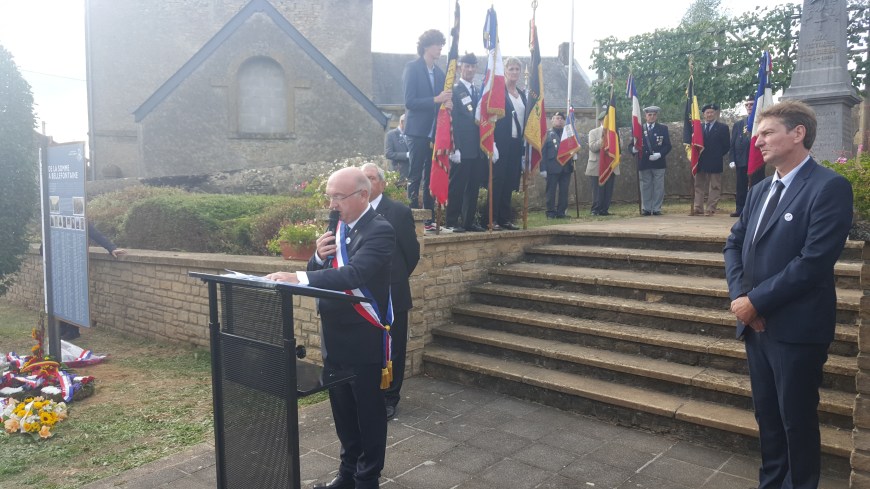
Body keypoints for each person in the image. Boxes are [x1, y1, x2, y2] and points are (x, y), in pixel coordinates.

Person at [723, 100, 853, 489]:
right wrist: (741, 298)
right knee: (768, 417)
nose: (757, 141)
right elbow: (734, 244)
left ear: (797, 133)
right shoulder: (761, 188)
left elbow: (813, 261)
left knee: (796, 420)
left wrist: (757, 301)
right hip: (756, 326)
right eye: (757, 134)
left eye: (767, 133)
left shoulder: (829, 187)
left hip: (796, 329)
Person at [266, 167, 394, 489]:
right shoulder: (336, 228)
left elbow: (354, 275)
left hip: (363, 338)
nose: (332, 204)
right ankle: (347, 474)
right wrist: (316, 260)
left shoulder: (379, 230)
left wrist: (299, 276)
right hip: (334, 340)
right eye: (330, 197)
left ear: (363, 195)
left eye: (339, 196)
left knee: (368, 415)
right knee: (343, 415)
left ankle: (368, 479)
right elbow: (323, 271)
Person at [360, 163, 420, 419]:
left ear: (382, 184)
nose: (367, 183)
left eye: (371, 178)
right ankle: (368, 392)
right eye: (363, 179)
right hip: (362, 295)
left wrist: (394, 279)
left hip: (392, 294)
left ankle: (389, 397)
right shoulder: (354, 212)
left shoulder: (398, 212)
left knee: (393, 347)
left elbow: (412, 253)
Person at [402, 29, 452, 231]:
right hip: (417, 131)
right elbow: (410, 101)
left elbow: (442, 102)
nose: (440, 47)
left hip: (435, 132)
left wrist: (447, 105)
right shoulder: (412, 68)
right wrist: (436, 99)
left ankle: (430, 219)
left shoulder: (440, 73)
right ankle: (413, 216)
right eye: (437, 44)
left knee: (432, 173)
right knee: (415, 174)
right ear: (426, 46)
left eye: (442, 44)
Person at [59, 222, 128, 340]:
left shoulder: (78, 220)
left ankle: (72, 331)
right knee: (60, 298)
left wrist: (112, 248)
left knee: (73, 297)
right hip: (59, 265)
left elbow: (96, 235)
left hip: (75, 264)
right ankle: (61, 329)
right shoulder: (56, 221)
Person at [445, 52, 486, 233]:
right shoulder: (455, 90)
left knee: (473, 186)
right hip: (461, 147)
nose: (470, 70)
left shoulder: (478, 91)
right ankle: (452, 221)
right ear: (461, 67)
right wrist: (455, 147)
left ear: (476, 68)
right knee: (457, 186)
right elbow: (453, 119)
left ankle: (469, 221)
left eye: (473, 66)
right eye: (466, 66)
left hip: (477, 147)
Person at [490, 57, 525, 231]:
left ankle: (505, 218)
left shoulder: (522, 94)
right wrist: (492, 142)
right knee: (498, 180)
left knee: (511, 181)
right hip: (501, 142)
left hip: (516, 142)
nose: (514, 72)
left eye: (517, 69)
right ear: (505, 71)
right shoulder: (498, 92)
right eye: (511, 69)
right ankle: (493, 218)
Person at [729, 97, 766, 217]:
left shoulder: (762, 123)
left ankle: (755, 209)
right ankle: (740, 209)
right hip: (741, 160)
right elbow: (733, 143)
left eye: (751, 104)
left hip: (756, 160)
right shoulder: (739, 124)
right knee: (740, 186)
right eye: (747, 105)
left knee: (757, 185)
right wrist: (732, 159)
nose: (749, 107)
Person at [694, 103, 730, 216]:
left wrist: (717, 154)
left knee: (714, 185)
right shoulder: (698, 127)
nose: (709, 114)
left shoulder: (723, 128)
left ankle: (711, 208)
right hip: (700, 160)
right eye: (707, 113)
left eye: (712, 112)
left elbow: (726, 146)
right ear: (703, 114)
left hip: (715, 160)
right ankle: (698, 208)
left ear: (715, 114)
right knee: (698, 185)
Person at [635, 105, 672, 216]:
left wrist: (659, 154)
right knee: (645, 186)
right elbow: (632, 144)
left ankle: (656, 208)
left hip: (658, 162)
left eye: (654, 115)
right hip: (644, 162)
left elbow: (668, 146)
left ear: (657, 116)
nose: (652, 117)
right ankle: (646, 208)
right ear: (645, 116)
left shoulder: (663, 128)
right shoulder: (639, 129)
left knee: (658, 186)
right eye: (649, 115)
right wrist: (633, 149)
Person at [541, 111, 574, 218]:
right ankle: (550, 212)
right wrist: (543, 168)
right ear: (552, 120)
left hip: (566, 167)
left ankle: (561, 212)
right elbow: (543, 152)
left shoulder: (568, 134)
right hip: (552, 167)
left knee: (564, 191)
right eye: (557, 118)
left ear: (564, 121)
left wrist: (574, 155)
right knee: (551, 191)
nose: (559, 120)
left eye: (561, 118)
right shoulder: (547, 134)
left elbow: (572, 147)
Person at [384, 114, 410, 180]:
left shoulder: (411, 135)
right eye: (409, 123)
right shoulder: (391, 135)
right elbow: (388, 154)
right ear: (402, 122)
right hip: (399, 172)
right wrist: (406, 155)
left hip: (412, 172)